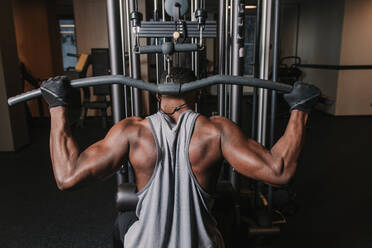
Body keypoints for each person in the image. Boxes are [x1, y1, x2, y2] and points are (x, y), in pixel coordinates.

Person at [40, 68, 320, 248]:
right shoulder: (216, 130)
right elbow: (279, 171)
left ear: (159, 97)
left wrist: (56, 107)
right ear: (197, 94)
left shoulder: (131, 131)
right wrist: (300, 110)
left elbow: (67, 177)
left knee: (123, 223)